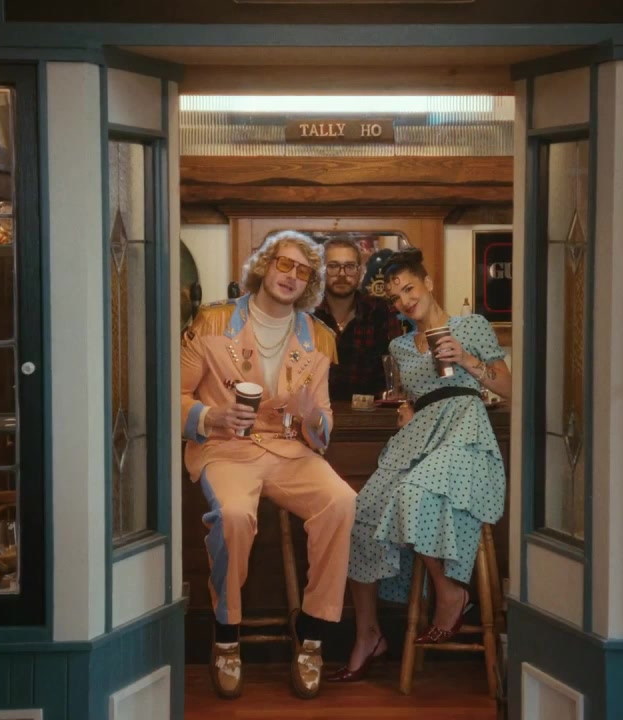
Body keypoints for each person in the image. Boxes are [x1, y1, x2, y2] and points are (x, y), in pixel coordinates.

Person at [180, 230, 357, 700]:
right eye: (284, 264)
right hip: (226, 448)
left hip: (289, 450)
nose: (291, 276)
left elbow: (323, 422)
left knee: (342, 502)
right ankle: (226, 636)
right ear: (264, 265)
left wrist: (312, 416)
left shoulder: (318, 338)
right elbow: (173, 394)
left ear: (309, 284)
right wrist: (210, 416)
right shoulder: (213, 321)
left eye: (303, 271)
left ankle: (313, 635)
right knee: (234, 516)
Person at [325, 247, 510, 683]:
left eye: (409, 289)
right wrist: (408, 407)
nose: (405, 301)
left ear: (428, 283)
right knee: (359, 514)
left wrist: (467, 360)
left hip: (463, 428)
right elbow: (413, 392)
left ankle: (449, 593)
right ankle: (368, 635)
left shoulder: (471, 325)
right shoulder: (400, 345)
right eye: (396, 297)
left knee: (414, 491)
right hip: (418, 432)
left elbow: (509, 387)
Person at [312, 237, 405, 402]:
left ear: (360, 272)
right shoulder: (307, 315)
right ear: (321, 271)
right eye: (333, 266)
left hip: (372, 414)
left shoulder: (382, 312)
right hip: (315, 413)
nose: (342, 274)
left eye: (349, 266)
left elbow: (397, 369)